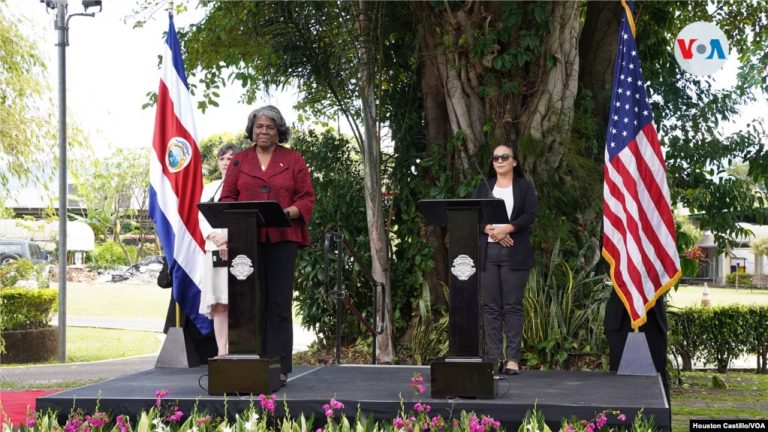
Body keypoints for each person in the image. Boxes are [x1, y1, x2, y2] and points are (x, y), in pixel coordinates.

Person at [219, 105, 315, 386]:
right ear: (252, 130)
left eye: (270, 127)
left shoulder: (294, 159)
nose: (264, 131)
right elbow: (227, 198)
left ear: (278, 132)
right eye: (259, 126)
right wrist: (238, 218)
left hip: (283, 240)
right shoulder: (239, 161)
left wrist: (286, 213)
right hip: (247, 241)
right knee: (250, 301)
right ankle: (252, 360)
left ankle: (280, 364)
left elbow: (307, 198)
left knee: (278, 303)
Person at [473, 143, 537, 375]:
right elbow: (473, 215)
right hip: (488, 255)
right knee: (491, 307)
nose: (499, 161)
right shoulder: (484, 187)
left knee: (512, 306)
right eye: (495, 158)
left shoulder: (523, 187)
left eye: (504, 157)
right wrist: (492, 232)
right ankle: (493, 358)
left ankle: (512, 359)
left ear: (514, 161)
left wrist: (508, 228)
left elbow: (530, 215)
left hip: (514, 256)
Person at [199, 144, 240, 356]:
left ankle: (238, 350)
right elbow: (202, 218)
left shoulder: (243, 187)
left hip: (240, 252)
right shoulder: (210, 188)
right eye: (222, 158)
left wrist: (229, 240)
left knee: (238, 302)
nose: (226, 162)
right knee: (219, 304)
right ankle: (221, 353)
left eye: (231, 158)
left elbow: (245, 218)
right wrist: (218, 240)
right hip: (214, 251)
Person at [605, 290, 671, 406]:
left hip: (653, 318)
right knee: (618, 378)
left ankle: (660, 423)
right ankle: (620, 422)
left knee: (658, 377)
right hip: (620, 318)